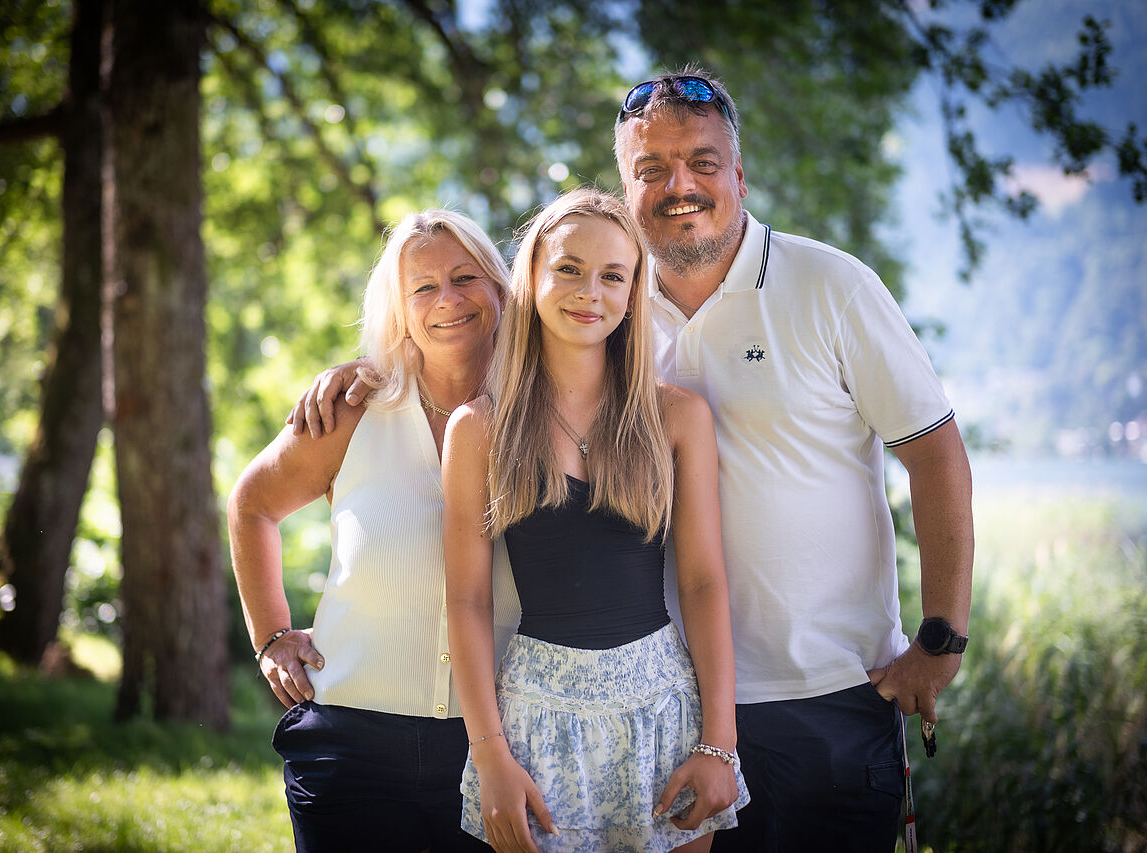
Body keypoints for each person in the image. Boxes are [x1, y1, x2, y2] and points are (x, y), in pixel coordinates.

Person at [290, 67, 975, 853]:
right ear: (626, 189)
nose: (679, 184)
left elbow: (937, 455)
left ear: (740, 174)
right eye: (652, 168)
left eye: (702, 162)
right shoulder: (606, 302)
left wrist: (940, 642)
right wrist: (374, 367)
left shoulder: (830, 287)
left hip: (826, 695)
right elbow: (471, 320)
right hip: (665, 706)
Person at [443, 188, 746, 853]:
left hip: (662, 711)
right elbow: (466, 600)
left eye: (613, 275)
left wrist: (718, 743)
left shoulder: (677, 417)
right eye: (569, 269)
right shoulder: (480, 429)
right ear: (531, 277)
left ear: (634, 293)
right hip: (534, 721)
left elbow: (702, 582)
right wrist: (490, 754)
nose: (590, 292)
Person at [228, 209, 520, 853]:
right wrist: (272, 635)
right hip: (351, 748)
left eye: (465, 277)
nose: (447, 300)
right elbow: (252, 505)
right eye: (423, 287)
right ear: (400, 309)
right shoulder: (352, 410)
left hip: (500, 747)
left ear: (500, 288)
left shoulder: (542, 417)